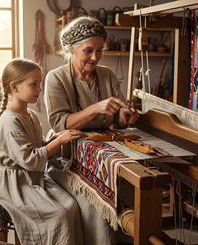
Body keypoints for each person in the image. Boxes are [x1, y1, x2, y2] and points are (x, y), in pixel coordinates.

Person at [44, 16, 139, 244]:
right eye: (88, 51)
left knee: (128, 193)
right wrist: (96, 108)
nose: (95, 57)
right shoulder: (55, 78)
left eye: (99, 50)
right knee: (98, 203)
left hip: (103, 156)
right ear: (71, 49)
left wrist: (126, 115)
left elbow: (118, 116)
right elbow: (60, 123)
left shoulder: (106, 75)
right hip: (66, 160)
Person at [0, 58, 86, 245]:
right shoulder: (10, 120)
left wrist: (56, 138)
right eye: (34, 84)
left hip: (32, 176)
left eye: (39, 83)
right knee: (58, 214)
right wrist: (59, 141)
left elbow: (37, 145)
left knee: (71, 205)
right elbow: (29, 159)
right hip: (14, 183)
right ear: (15, 87)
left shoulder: (31, 115)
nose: (40, 89)